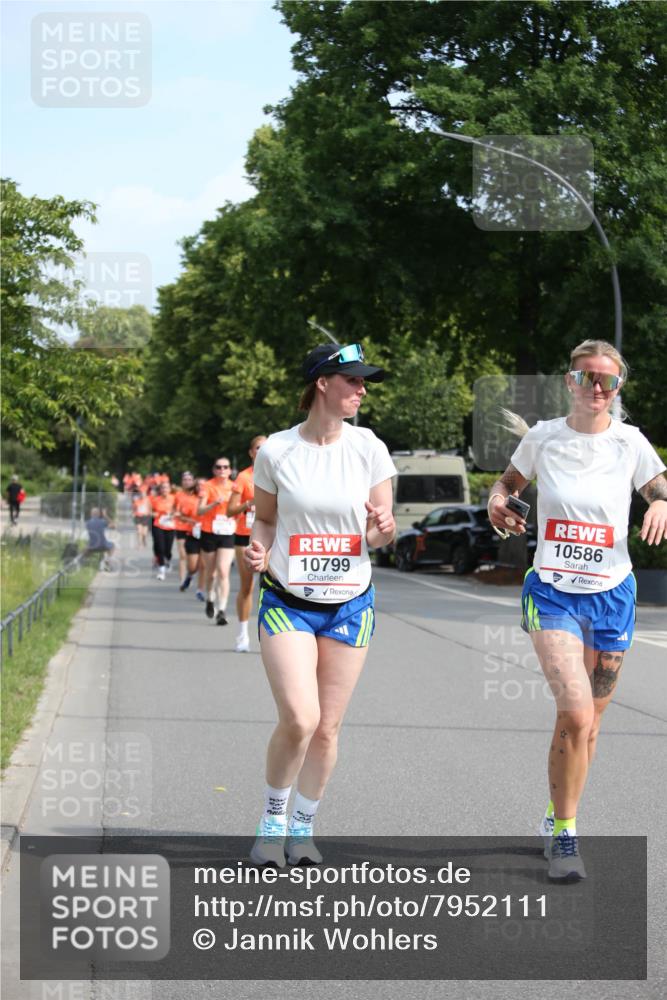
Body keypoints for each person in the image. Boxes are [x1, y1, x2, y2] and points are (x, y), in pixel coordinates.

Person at [487, 339, 667, 881]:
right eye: (586, 377)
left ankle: (555, 815)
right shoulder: (544, 438)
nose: (596, 387)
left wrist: (658, 501)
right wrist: (498, 499)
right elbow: (507, 485)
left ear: (617, 389)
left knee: (589, 728)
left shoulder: (631, 443)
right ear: (570, 381)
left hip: (613, 592)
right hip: (553, 591)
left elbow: (659, 488)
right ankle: (566, 836)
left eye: (607, 381)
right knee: (576, 712)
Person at [245, 343, 396, 867]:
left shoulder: (370, 448)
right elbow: (264, 518)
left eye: (363, 382)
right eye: (352, 380)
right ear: (322, 384)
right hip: (288, 599)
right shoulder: (278, 452)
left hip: (350, 603)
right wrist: (259, 545)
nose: (362, 390)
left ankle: (303, 828)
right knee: (300, 718)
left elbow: (379, 535)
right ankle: (271, 822)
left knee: (328, 726)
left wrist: (383, 531)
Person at [227, 435, 267, 652]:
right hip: (245, 536)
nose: (263, 451)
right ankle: (242, 634)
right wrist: (249, 503)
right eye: (259, 448)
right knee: (247, 586)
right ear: (251, 453)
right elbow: (229, 510)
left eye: (266, 447)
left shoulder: (278, 473)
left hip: (270, 537)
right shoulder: (244, 477)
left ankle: (269, 637)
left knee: (270, 590)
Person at [198, 457, 235, 625]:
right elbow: (199, 510)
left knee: (223, 571)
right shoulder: (207, 486)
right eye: (219, 467)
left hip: (227, 532)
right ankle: (210, 598)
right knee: (211, 573)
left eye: (225, 467)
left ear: (229, 470)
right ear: (214, 470)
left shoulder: (234, 487)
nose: (222, 470)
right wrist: (214, 504)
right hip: (209, 531)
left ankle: (222, 610)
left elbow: (239, 508)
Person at [173, 471, 203, 591]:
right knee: (182, 555)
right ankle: (182, 581)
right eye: (185, 480)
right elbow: (175, 511)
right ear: (182, 482)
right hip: (181, 527)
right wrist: (185, 518)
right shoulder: (178, 495)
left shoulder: (199, 496)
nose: (187, 482)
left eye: (189, 480)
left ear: (193, 482)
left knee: (196, 561)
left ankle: (190, 576)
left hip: (196, 530)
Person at [150, 480, 176, 581]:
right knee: (160, 546)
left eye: (166, 488)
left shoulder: (174, 499)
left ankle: (167, 559)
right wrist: (154, 514)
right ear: (160, 490)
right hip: (158, 524)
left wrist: (173, 514)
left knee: (168, 549)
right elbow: (150, 511)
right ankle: (161, 569)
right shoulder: (155, 500)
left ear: (170, 489)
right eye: (163, 488)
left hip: (170, 525)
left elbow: (179, 510)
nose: (165, 489)